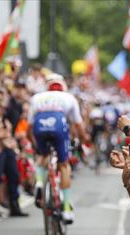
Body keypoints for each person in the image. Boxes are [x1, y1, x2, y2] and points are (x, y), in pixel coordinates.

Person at [28, 74, 88, 223]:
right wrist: (82, 141)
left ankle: (40, 183)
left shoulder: (37, 97)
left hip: (39, 127)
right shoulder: (69, 98)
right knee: (64, 165)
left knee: (42, 156)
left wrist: (35, 144)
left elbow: (29, 127)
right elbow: (78, 125)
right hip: (59, 127)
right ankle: (66, 208)